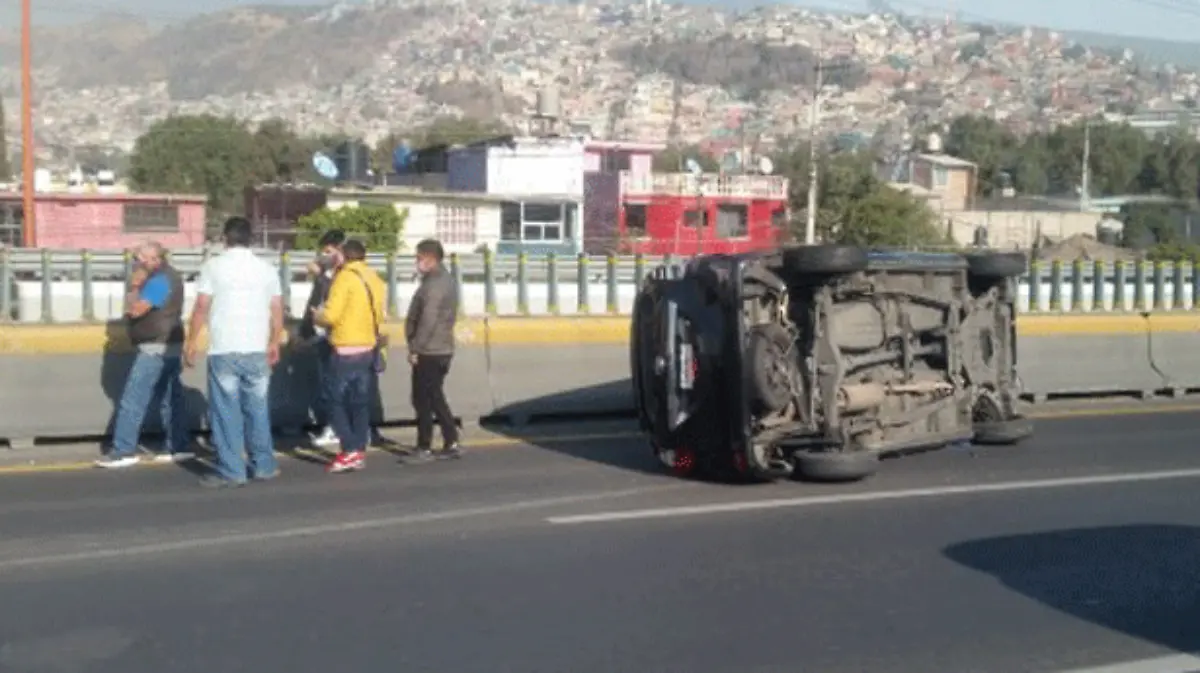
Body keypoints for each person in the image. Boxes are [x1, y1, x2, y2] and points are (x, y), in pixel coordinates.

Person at [185, 217, 283, 488]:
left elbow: (202, 307)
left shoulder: (213, 267)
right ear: (250, 238)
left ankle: (232, 470)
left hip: (225, 348)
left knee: (226, 411)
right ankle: (263, 464)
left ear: (225, 238)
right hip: (256, 347)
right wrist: (274, 341)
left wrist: (191, 341)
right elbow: (276, 308)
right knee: (258, 408)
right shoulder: (266, 269)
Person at [96, 241, 193, 468]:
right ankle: (178, 445)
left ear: (155, 259)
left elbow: (137, 309)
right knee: (170, 397)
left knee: (134, 398)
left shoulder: (158, 281)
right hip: (170, 343)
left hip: (154, 346)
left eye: (140, 259)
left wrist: (135, 287)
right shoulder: (171, 276)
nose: (137, 263)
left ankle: (123, 450)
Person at [312, 238, 386, 473]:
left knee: (334, 401)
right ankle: (359, 450)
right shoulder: (374, 278)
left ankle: (349, 449)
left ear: (343, 256)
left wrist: (317, 315)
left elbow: (331, 316)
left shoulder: (344, 278)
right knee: (360, 402)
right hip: (368, 347)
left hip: (345, 348)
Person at [402, 238, 461, 464]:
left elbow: (428, 319)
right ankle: (450, 440)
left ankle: (424, 446)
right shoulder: (440, 280)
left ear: (430, 258)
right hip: (439, 348)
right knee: (433, 396)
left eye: (418, 258)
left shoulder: (435, 285)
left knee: (423, 399)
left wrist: (416, 347)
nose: (417, 262)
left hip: (431, 350)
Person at [299, 229, 346, 449]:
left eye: (328, 251)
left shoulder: (341, 275)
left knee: (334, 385)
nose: (323, 255)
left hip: (334, 335)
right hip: (323, 335)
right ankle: (337, 426)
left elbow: (330, 299)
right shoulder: (327, 274)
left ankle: (337, 428)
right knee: (328, 385)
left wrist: (320, 275)